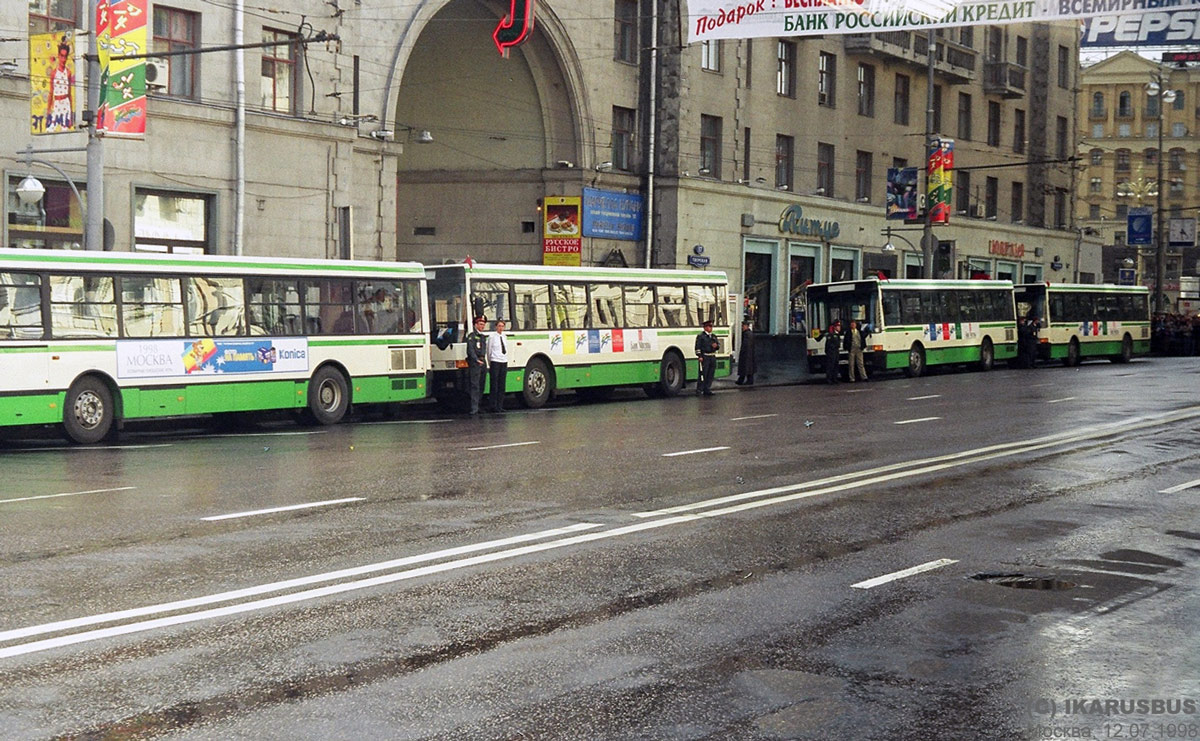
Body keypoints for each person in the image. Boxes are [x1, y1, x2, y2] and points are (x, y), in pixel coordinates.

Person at [465, 316, 488, 415]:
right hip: (475, 363)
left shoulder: (483, 337)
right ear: (476, 325)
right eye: (481, 324)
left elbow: (484, 350)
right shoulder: (472, 336)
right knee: (475, 386)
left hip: (483, 362)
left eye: (483, 325)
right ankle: (474, 408)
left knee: (482, 385)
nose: (482, 326)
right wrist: (476, 359)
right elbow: (470, 350)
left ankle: (479, 406)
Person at [486, 319, 509, 413]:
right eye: (499, 326)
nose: (501, 328)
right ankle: (493, 405)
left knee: (501, 385)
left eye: (502, 326)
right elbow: (489, 350)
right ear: (496, 327)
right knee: (494, 384)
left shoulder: (504, 336)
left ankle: (500, 405)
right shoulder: (492, 337)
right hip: (495, 361)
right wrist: (490, 361)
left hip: (503, 361)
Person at [694, 319, 719, 396]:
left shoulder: (713, 336)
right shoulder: (701, 336)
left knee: (710, 374)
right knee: (703, 374)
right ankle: (699, 389)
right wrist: (700, 356)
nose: (710, 328)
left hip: (712, 356)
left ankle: (707, 388)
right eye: (708, 327)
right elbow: (698, 347)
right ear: (705, 327)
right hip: (705, 356)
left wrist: (716, 346)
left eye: (711, 327)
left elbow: (718, 346)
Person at [735, 318, 756, 385]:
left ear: (746, 326)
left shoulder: (748, 334)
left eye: (743, 326)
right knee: (746, 367)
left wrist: (745, 352)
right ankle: (742, 380)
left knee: (747, 367)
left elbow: (747, 345)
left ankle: (746, 380)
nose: (742, 327)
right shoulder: (747, 333)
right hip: (747, 353)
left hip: (747, 354)